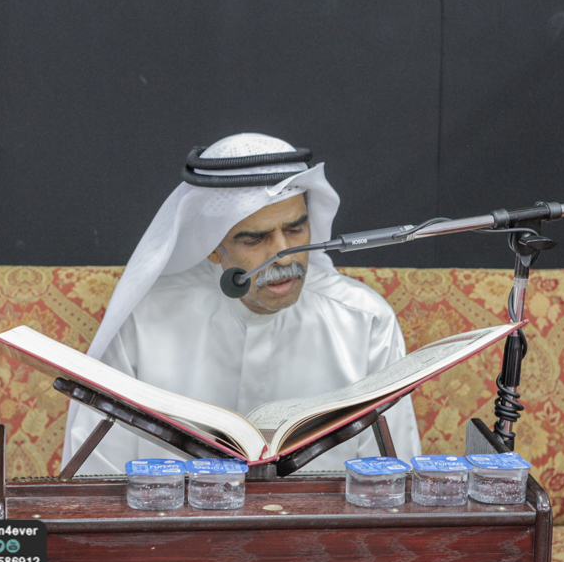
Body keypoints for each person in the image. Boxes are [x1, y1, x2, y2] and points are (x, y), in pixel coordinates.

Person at [62, 133, 421, 474]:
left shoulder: (364, 322)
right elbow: (97, 479)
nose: (284, 256)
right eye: (255, 239)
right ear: (212, 247)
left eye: (295, 229)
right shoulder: (144, 322)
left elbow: (392, 480)